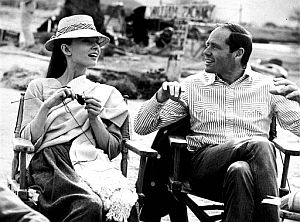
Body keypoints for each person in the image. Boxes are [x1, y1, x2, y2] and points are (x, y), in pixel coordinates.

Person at [134, 23, 300, 222]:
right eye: (207, 45)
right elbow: (141, 127)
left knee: (241, 171)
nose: (206, 51)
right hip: (204, 168)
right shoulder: (192, 86)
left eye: (214, 47)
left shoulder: (270, 88)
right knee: (260, 144)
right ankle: (271, 218)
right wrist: (159, 98)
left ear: (238, 53)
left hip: (248, 174)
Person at [20, 15, 138, 222]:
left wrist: (95, 119)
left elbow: (112, 149)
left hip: (91, 161)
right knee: (88, 204)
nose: (96, 47)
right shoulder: (39, 87)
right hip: (51, 164)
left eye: (97, 42)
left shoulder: (106, 93)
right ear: (66, 49)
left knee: (123, 202)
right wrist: (47, 106)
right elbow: (27, 139)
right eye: (87, 41)